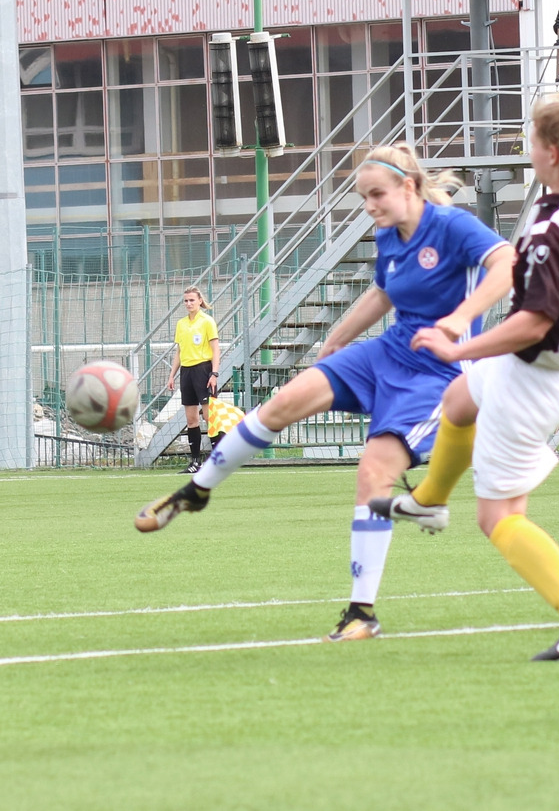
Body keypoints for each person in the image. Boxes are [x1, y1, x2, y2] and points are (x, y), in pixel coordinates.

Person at [135, 143, 517, 644]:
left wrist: (459, 319)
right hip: (388, 352)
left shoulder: (453, 226)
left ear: (408, 186)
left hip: (438, 373)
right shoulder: (390, 233)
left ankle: (361, 612)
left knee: (373, 472)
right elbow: (383, 292)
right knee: (282, 403)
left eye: (376, 195)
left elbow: (507, 264)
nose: (369, 206)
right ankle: (197, 489)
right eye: (363, 197)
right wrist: (337, 337)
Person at [370, 89, 559, 661]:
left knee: (498, 518)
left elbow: (531, 325)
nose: (528, 150)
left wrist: (457, 347)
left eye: (533, 142)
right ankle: (429, 499)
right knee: (460, 400)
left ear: (553, 154)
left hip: (535, 373)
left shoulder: (551, 234)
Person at [166, 286, 220, 473]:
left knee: (209, 417)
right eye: (186, 301)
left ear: (199, 301)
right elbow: (179, 352)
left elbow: (215, 349)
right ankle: (195, 462)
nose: (188, 303)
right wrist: (172, 374)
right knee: (191, 420)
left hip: (203, 370)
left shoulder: (207, 321)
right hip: (186, 372)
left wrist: (214, 373)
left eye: (192, 300)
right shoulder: (181, 324)